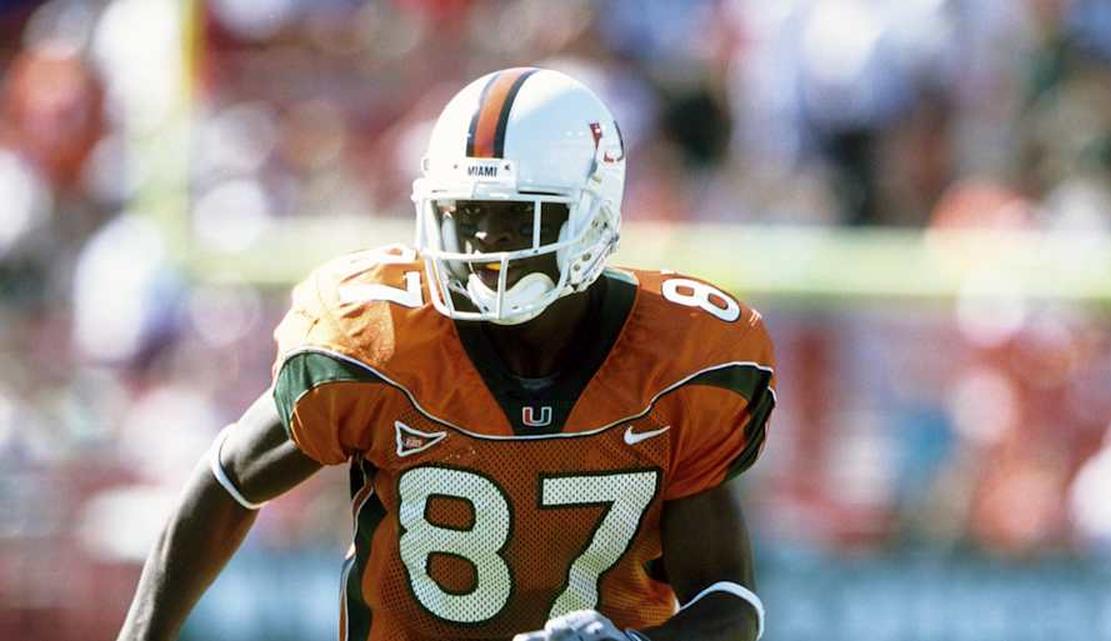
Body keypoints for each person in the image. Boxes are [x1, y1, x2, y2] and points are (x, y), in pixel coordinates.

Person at [116, 67, 776, 641]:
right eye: (467, 215)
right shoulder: (378, 337)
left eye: (518, 219)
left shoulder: (680, 361)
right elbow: (230, 480)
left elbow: (729, 602)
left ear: (591, 216)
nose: (484, 245)